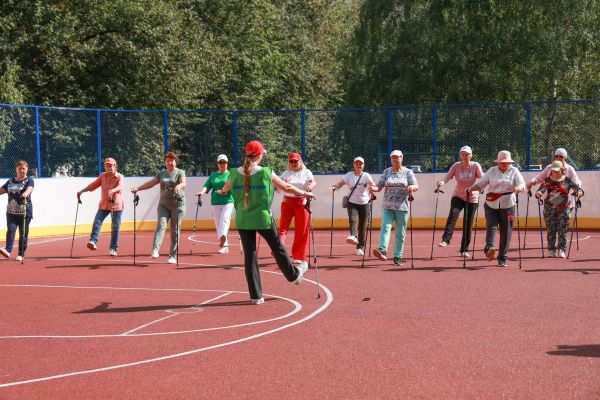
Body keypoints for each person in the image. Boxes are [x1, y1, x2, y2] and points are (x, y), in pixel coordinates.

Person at [219, 140, 315, 304]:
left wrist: (222, 191)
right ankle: (294, 276)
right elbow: (287, 188)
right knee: (277, 248)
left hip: (243, 219)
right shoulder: (265, 172)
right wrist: (305, 194)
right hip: (262, 218)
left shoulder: (234, 173)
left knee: (250, 256)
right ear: (260, 155)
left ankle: (256, 296)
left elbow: (226, 188)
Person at [467, 150, 525, 267]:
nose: (504, 164)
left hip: (508, 205)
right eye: (501, 162)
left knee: (506, 231)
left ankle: (502, 257)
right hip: (491, 204)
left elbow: (522, 184)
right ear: (498, 162)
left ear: (510, 162)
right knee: (491, 226)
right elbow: (481, 183)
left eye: (506, 162)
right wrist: (471, 189)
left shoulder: (515, 171)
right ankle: (489, 248)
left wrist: (519, 187)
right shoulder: (492, 171)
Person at [131, 152, 186, 264]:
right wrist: (138, 188)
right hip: (164, 205)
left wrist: (179, 187)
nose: (170, 162)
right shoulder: (161, 173)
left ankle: (172, 256)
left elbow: (183, 183)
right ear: (165, 162)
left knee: (175, 230)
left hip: (178, 205)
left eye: (172, 160)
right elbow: (151, 183)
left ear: (175, 161)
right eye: (167, 160)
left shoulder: (180, 172)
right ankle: (155, 250)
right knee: (161, 225)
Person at [370, 150, 419, 265]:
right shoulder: (387, 171)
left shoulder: (408, 172)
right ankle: (382, 249)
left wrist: (412, 187)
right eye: (393, 158)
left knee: (400, 233)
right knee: (385, 227)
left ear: (402, 158)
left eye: (397, 157)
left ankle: (398, 256)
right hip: (388, 205)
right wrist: (374, 189)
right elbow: (379, 185)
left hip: (402, 206)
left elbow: (416, 185)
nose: (395, 160)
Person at [436, 146, 483, 257]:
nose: (465, 156)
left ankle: (464, 250)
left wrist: (479, 187)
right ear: (460, 155)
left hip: (472, 197)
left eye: (467, 154)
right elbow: (447, 177)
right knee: (453, 214)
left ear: (471, 155)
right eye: (462, 154)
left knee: (467, 223)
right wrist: (442, 182)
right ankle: (445, 240)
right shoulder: (456, 166)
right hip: (458, 195)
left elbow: (482, 178)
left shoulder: (475, 166)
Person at [535, 160, 584, 258]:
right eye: (553, 170)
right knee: (551, 230)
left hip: (563, 208)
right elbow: (541, 189)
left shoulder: (567, 180)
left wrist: (579, 193)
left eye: (557, 170)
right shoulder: (547, 180)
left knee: (563, 230)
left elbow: (579, 190)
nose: (555, 172)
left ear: (562, 170)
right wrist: (539, 193)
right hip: (549, 208)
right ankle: (551, 249)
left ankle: (561, 249)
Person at [76, 157, 124, 256]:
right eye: (106, 166)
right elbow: (92, 185)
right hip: (104, 205)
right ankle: (93, 241)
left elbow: (120, 186)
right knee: (97, 221)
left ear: (115, 166)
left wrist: (113, 190)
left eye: (110, 165)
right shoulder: (103, 176)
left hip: (116, 205)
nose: (109, 167)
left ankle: (113, 248)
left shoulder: (119, 176)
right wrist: (81, 191)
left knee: (115, 227)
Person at [329, 156, 375, 256]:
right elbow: (340, 183)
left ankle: (360, 247)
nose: (358, 165)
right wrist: (335, 187)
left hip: (365, 203)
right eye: (356, 163)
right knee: (352, 220)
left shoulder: (366, 175)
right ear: (354, 165)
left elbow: (372, 184)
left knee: (362, 226)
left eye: (360, 163)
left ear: (363, 165)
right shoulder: (349, 175)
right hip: (352, 202)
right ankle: (353, 236)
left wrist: (372, 189)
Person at [277, 152, 316, 264]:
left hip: (302, 202)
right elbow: (278, 187)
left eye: (296, 161)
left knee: (301, 231)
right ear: (289, 162)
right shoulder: (285, 174)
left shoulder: (306, 172)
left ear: (300, 162)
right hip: (287, 202)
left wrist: (310, 187)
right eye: (291, 161)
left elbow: (312, 182)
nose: (294, 163)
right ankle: (278, 248)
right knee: (283, 228)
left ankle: (298, 256)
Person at [196, 154, 234, 254]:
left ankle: (223, 238)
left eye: (224, 162)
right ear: (217, 164)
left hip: (228, 201)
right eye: (220, 162)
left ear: (227, 163)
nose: (222, 164)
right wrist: (201, 192)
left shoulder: (231, 174)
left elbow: (234, 186)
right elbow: (207, 186)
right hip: (215, 202)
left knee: (224, 219)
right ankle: (224, 246)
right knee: (218, 224)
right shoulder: (213, 176)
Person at [0, 160, 35, 261]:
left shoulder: (29, 180)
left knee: (23, 233)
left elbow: (30, 188)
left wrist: (26, 193)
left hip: (24, 211)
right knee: (11, 230)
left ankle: (21, 254)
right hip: (11, 211)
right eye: (20, 169)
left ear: (27, 169)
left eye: (24, 169)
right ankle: (8, 250)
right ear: (16, 169)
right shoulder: (10, 181)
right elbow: (2, 190)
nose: (22, 170)